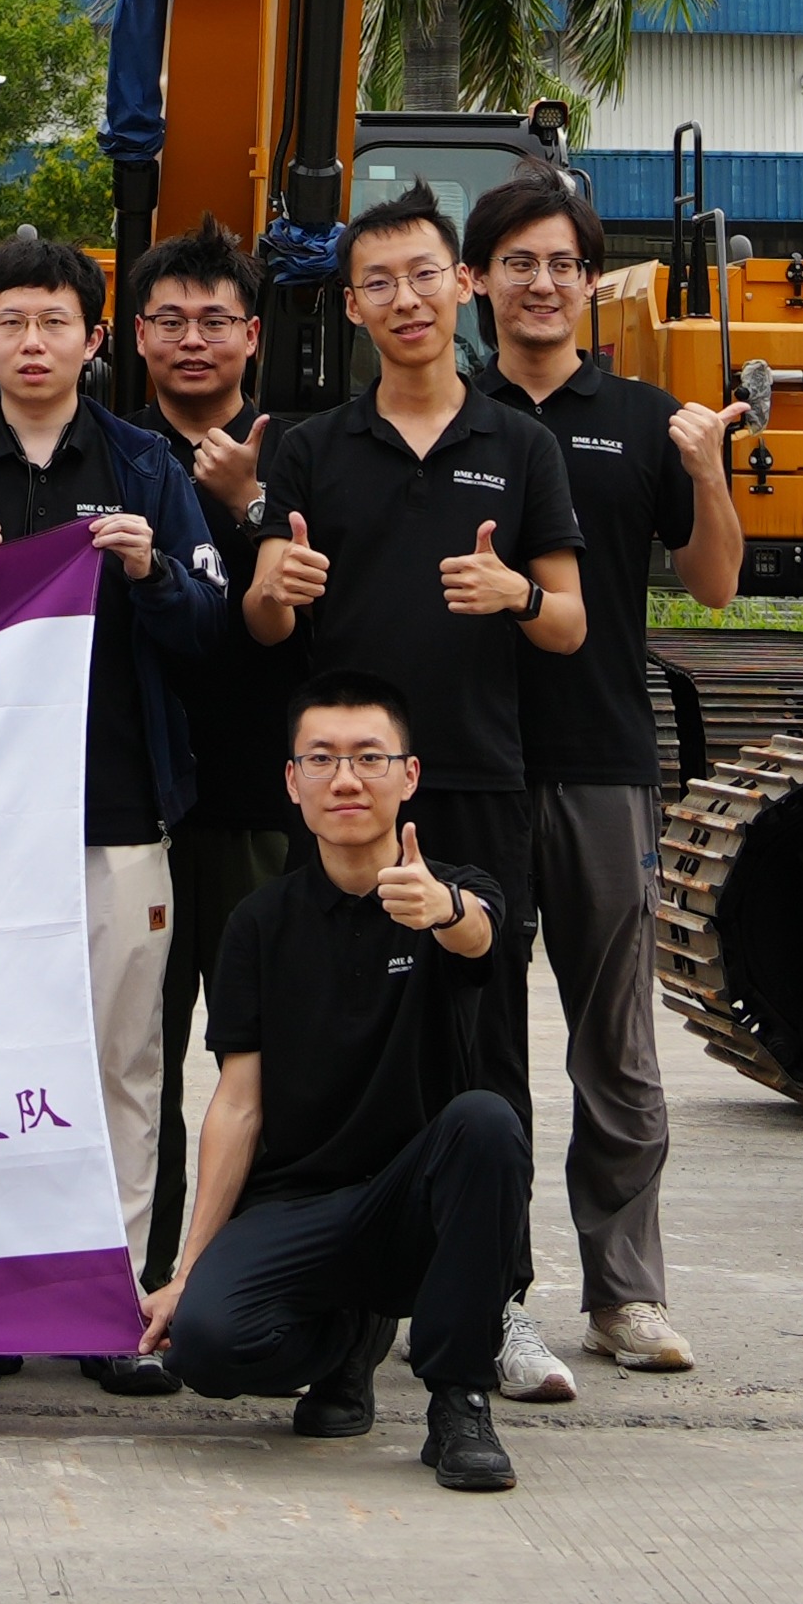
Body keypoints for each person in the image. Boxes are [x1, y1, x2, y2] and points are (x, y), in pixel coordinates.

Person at [233, 189, 582, 1398]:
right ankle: (339, 1291)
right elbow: (263, 625)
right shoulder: (309, 447)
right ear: (351, 306)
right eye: (377, 282)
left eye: (424, 274)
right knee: (332, 1045)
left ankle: (499, 1303)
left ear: (461, 284)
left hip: (474, 783)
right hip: (341, 791)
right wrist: (272, 586)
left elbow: (570, 621)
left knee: (487, 1044)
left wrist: (515, 597)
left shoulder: (519, 445)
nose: (406, 299)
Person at [0, 228, 228, 1393]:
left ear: (92, 338)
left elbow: (210, 633)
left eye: (53, 322)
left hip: (116, 814)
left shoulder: (143, 467)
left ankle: (106, 1303)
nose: (31, 342)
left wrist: (150, 572)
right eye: (10, 323)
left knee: (121, 1066)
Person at [474, 164, 742, 1385]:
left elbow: (716, 585)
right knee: (477, 1045)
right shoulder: (445, 412)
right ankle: (487, 1293)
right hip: (470, 767)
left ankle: (625, 1294)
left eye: (560, 264)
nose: (539, 283)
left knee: (615, 1049)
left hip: (598, 764)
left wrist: (706, 471)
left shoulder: (643, 418)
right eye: (516, 262)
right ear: (476, 279)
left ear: (590, 282)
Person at [141, 675, 530, 1496]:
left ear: (408, 774)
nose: (345, 778)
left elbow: (481, 936)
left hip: (414, 1199)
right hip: (300, 1203)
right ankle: (348, 1339)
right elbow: (238, 1102)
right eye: (321, 759)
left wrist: (442, 908)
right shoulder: (259, 921)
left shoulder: (455, 889)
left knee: (487, 1124)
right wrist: (187, 1267)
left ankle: (458, 1400)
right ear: (292, 781)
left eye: (368, 757)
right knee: (206, 1346)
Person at [117, 223, 297, 1284]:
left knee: (257, 1049)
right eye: (171, 320)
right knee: (134, 1054)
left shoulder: (300, 452)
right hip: (130, 802)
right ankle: (140, 1274)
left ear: (252, 335)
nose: (193, 340)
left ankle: (240, 1277)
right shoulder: (108, 451)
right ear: (136, 334)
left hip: (253, 800)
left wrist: (251, 502)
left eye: (215, 321)